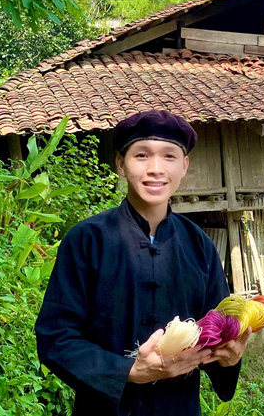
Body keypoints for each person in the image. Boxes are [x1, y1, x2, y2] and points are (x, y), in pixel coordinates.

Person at [35, 110, 249, 416]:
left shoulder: (199, 246)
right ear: (121, 164)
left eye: (169, 156)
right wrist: (128, 370)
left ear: (185, 165)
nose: (156, 169)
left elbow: (217, 331)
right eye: (142, 155)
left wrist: (230, 357)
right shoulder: (87, 240)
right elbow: (56, 337)